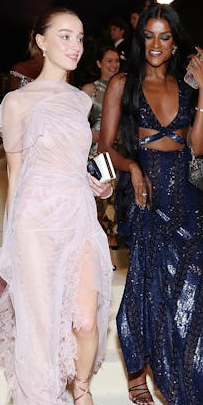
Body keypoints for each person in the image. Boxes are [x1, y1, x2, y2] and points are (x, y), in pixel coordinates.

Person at [0, 7, 113, 405]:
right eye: (64, 36)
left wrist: (98, 186)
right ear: (40, 41)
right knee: (44, 325)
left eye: (80, 37)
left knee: (86, 321)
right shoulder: (18, 104)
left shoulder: (83, 102)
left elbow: (76, 162)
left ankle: (80, 383)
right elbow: (17, 175)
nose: (75, 45)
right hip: (35, 220)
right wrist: (11, 241)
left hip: (79, 214)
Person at [99, 3, 203, 405]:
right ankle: (138, 366)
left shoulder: (188, 86)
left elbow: (196, 147)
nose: (156, 45)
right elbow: (105, 148)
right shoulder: (123, 84)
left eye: (165, 37)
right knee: (145, 285)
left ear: (175, 42)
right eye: (149, 36)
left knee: (192, 300)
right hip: (145, 196)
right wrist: (134, 170)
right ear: (140, 40)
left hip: (187, 201)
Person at [82, 45, 122, 269]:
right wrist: (92, 133)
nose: (114, 65)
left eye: (117, 61)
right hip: (97, 153)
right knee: (105, 202)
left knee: (118, 201)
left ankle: (110, 251)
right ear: (99, 63)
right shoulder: (90, 89)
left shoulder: (125, 86)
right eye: (109, 61)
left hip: (121, 151)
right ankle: (107, 255)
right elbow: (77, 124)